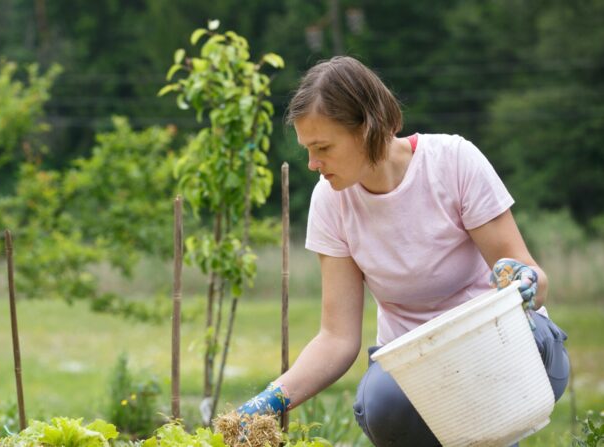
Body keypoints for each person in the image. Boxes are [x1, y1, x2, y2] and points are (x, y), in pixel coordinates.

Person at [234, 56, 570, 446]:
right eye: (307, 149)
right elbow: (337, 338)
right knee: (380, 403)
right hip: (419, 369)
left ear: (369, 127)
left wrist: (525, 281)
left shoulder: (453, 162)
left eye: (322, 147)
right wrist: (269, 400)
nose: (312, 164)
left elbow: (532, 277)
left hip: (504, 346)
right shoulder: (330, 202)